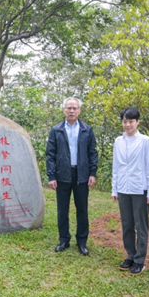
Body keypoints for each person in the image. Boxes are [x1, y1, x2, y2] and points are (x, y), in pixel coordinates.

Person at [46, 97, 98, 255]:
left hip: (81, 175)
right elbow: (50, 155)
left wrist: (92, 173)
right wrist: (51, 176)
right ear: (63, 110)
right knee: (63, 210)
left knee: (82, 209)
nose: (71, 111)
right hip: (62, 175)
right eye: (69, 108)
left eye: (75, 108)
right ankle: (64, 240)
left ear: (79, 110)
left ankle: (82, 242)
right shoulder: (56, 130)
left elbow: (92, 153)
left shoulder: (86, 129)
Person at [111, 107, 149, 275]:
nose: (127, 124)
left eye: (131, 121)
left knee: (141, 225)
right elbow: (116, 166)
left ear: (138, 122)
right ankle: (130, 255)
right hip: (123, 188)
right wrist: (114, 188)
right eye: (124, 121)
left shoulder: (145, 141)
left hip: (140, 189)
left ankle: (140, 260)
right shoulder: (118, 141)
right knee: (127, 224)